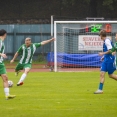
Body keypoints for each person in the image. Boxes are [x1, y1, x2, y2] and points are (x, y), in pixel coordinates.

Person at [94, 30, 117, 94]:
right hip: (106, 60)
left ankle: (100, 89)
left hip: (110, 60)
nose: (100, 37)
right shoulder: (106, 41)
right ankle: (100, 89)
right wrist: (103, 57)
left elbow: (110, 50)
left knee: (111, 75)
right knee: (102, 73)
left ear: (101, 35)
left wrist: (102, 53)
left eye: (100, 35)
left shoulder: (107, 41)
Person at [0, 29, 16, 99]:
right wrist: (1, 54)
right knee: (5, 78)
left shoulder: (2, 42)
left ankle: (7, 95)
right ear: (5, 34)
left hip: (0, 63)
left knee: (5, 78)